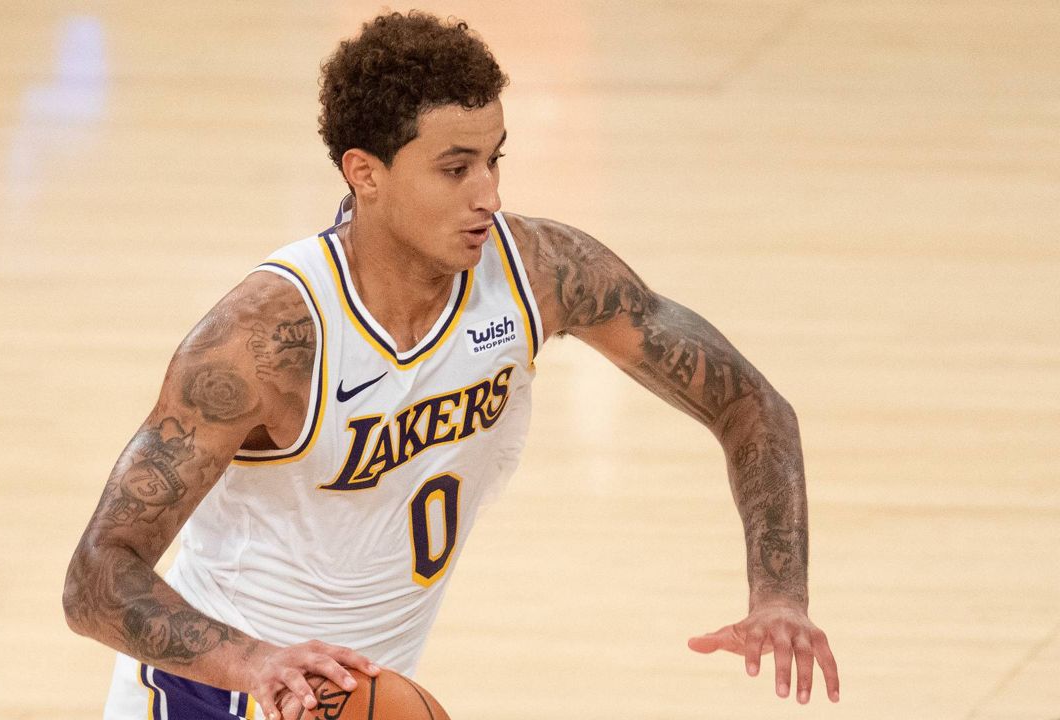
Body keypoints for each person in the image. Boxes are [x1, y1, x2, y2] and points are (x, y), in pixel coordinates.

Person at [63, 10, 840, 719]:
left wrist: (779, 593)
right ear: (365, 173)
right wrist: (255, 659)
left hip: (371, 693)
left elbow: (750, 405)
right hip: (218, 695)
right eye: (456, 168)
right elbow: (96, 575)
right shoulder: (263, 343)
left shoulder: (541, 273)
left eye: (495, 161)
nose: (490, 196)